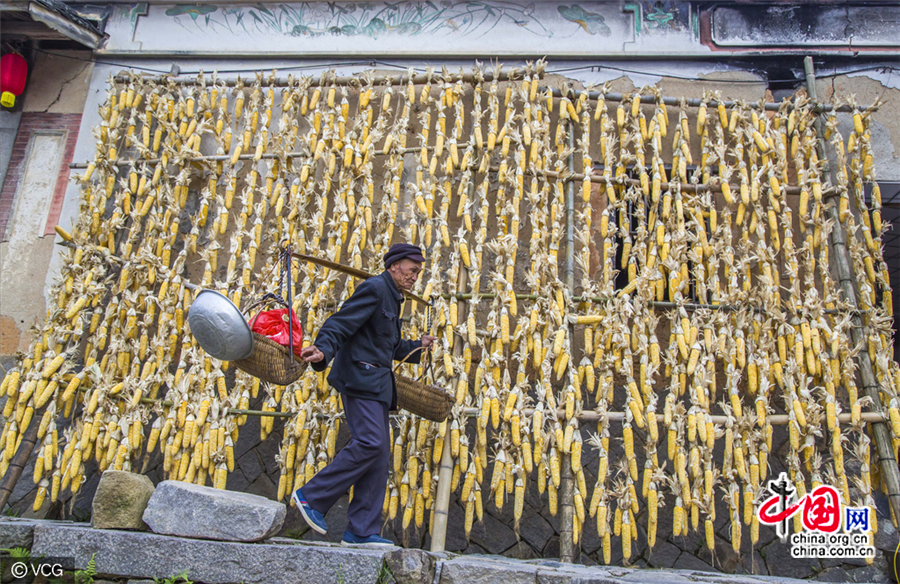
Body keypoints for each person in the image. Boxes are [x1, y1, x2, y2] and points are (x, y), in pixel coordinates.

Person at [292, 243, 438, 546]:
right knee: (370, 442)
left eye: (418, 273)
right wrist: (323, 348)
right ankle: (311, 497)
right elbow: (341, 323)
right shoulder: (374, 288)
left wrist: (418, 345)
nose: (414, 277)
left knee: (379, 455)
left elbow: (389, 346)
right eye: (412, 271)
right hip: (360, 380)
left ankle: (360, 531)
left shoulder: (393, 298)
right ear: (395, 265)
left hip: (379, 386)